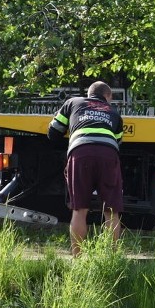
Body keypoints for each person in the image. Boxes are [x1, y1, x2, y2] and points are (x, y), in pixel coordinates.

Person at [48, 81, 124, 256]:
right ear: (108, 97)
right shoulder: (114, 113)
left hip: (81, 153)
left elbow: (54, 132)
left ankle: (78, 258)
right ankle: (110, 257)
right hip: (108, 155)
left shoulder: (73, 103)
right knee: (111, 211)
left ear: (89, 94)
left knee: (80, 209)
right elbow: (118, 142)